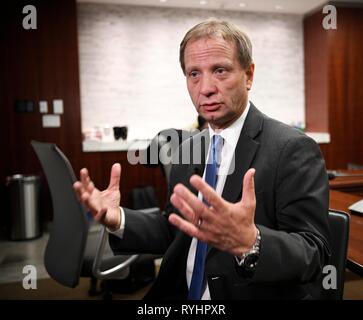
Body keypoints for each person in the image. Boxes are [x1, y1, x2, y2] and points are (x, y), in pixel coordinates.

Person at [73, 18, 331, 300]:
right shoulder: (188, 147)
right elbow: (175, 229)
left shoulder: (292, 149)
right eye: (194, 74)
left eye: (220, 70)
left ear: (249, 75)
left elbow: (313, 254)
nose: (205, 87)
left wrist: (251, 243)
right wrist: (117, 218)